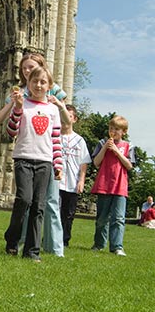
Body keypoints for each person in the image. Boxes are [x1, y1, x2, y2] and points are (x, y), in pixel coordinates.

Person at [0, 51, 70, 257]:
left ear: (49, 86)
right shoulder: (22, 103)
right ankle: (12, 238)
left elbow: (56, 139)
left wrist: (58, 165)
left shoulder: (53, 110)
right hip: (23, 159)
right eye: (35, 81)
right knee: (24, 200)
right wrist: (18, 109)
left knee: (39, 206)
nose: (38, 85)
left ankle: (32, 251)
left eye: (43, 82)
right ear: (28, 83)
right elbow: (11, 131)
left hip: (45, 162)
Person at [90, 115, 135, 256]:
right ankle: (99, 244)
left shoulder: (129, 146)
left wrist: (116, 151)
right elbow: (96, 162)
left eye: (116, 129)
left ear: (124, 131)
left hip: (120, 186)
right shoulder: (102, 142)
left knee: (118, 218)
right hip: (104, 184)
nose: (113, 131)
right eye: (111, 128)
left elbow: (129, 166)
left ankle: (117, 247)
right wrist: (105, 148)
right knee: (102, 219)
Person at [58, 104, 91, 247]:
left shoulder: (79, 140)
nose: (65, 120)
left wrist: (81, 181)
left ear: (74, 119)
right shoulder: (55, 137)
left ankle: (65, 240)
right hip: (56, 181)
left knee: (69, 213)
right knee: (55, 212)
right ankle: (52, 237)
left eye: (69, 116)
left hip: (72, 182)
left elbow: (84, 162)